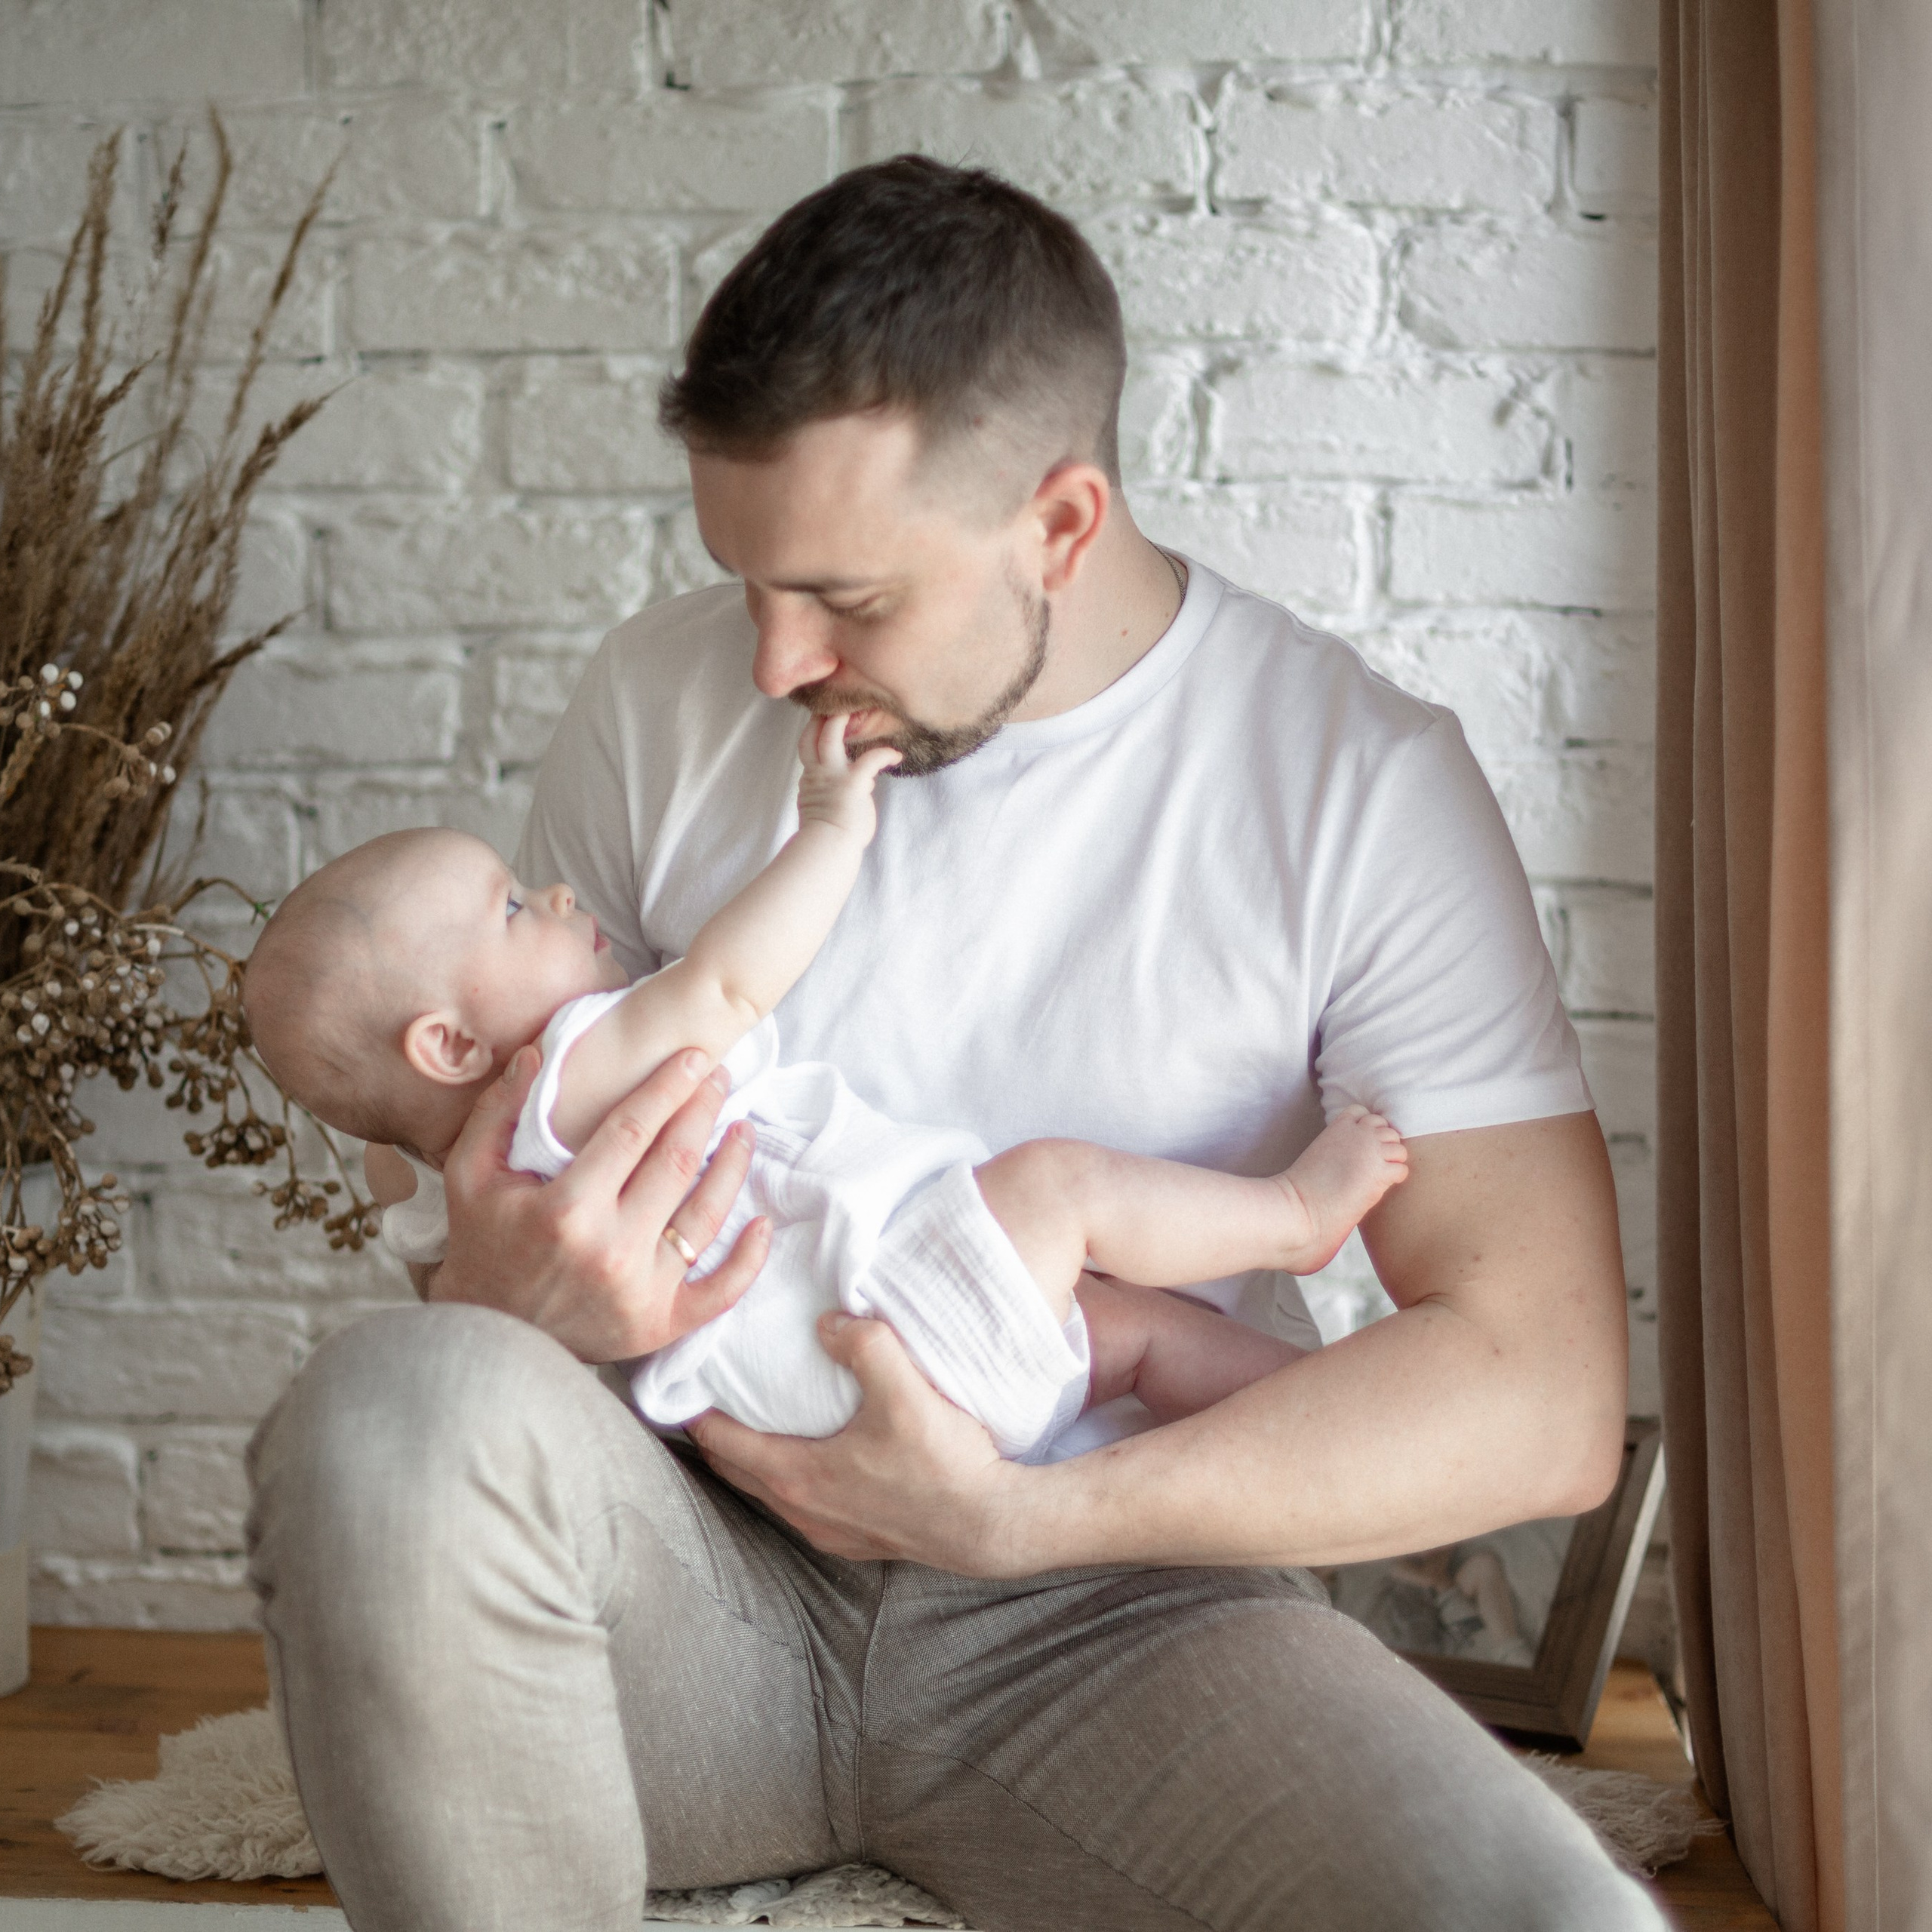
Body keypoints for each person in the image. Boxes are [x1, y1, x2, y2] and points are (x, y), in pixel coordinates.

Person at [245, 158, 1662, 1930]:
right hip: (699, 1576)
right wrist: (509, 1298)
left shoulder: (1354, 785)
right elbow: (495, 1152)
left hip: (1111, 1617)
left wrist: (1009, 1521)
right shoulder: (658, 700)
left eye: (841, 597)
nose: (771, 661)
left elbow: (1533, 1402)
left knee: (1549, 1914)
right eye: (743, 578)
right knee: (386, 1403)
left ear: (1056, 525)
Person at [240, 725, 1407, 1461]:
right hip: (882, 1313)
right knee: (1061, 1190)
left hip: (818, 1403)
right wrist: (832, 830)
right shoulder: (563, 1072)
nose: (551, 893)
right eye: (507, 908)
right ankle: (1299, 1226)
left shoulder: (453, 1200)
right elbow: (731, 982)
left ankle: (1337, 1422)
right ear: (448, 1046)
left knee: (1140, 1338)